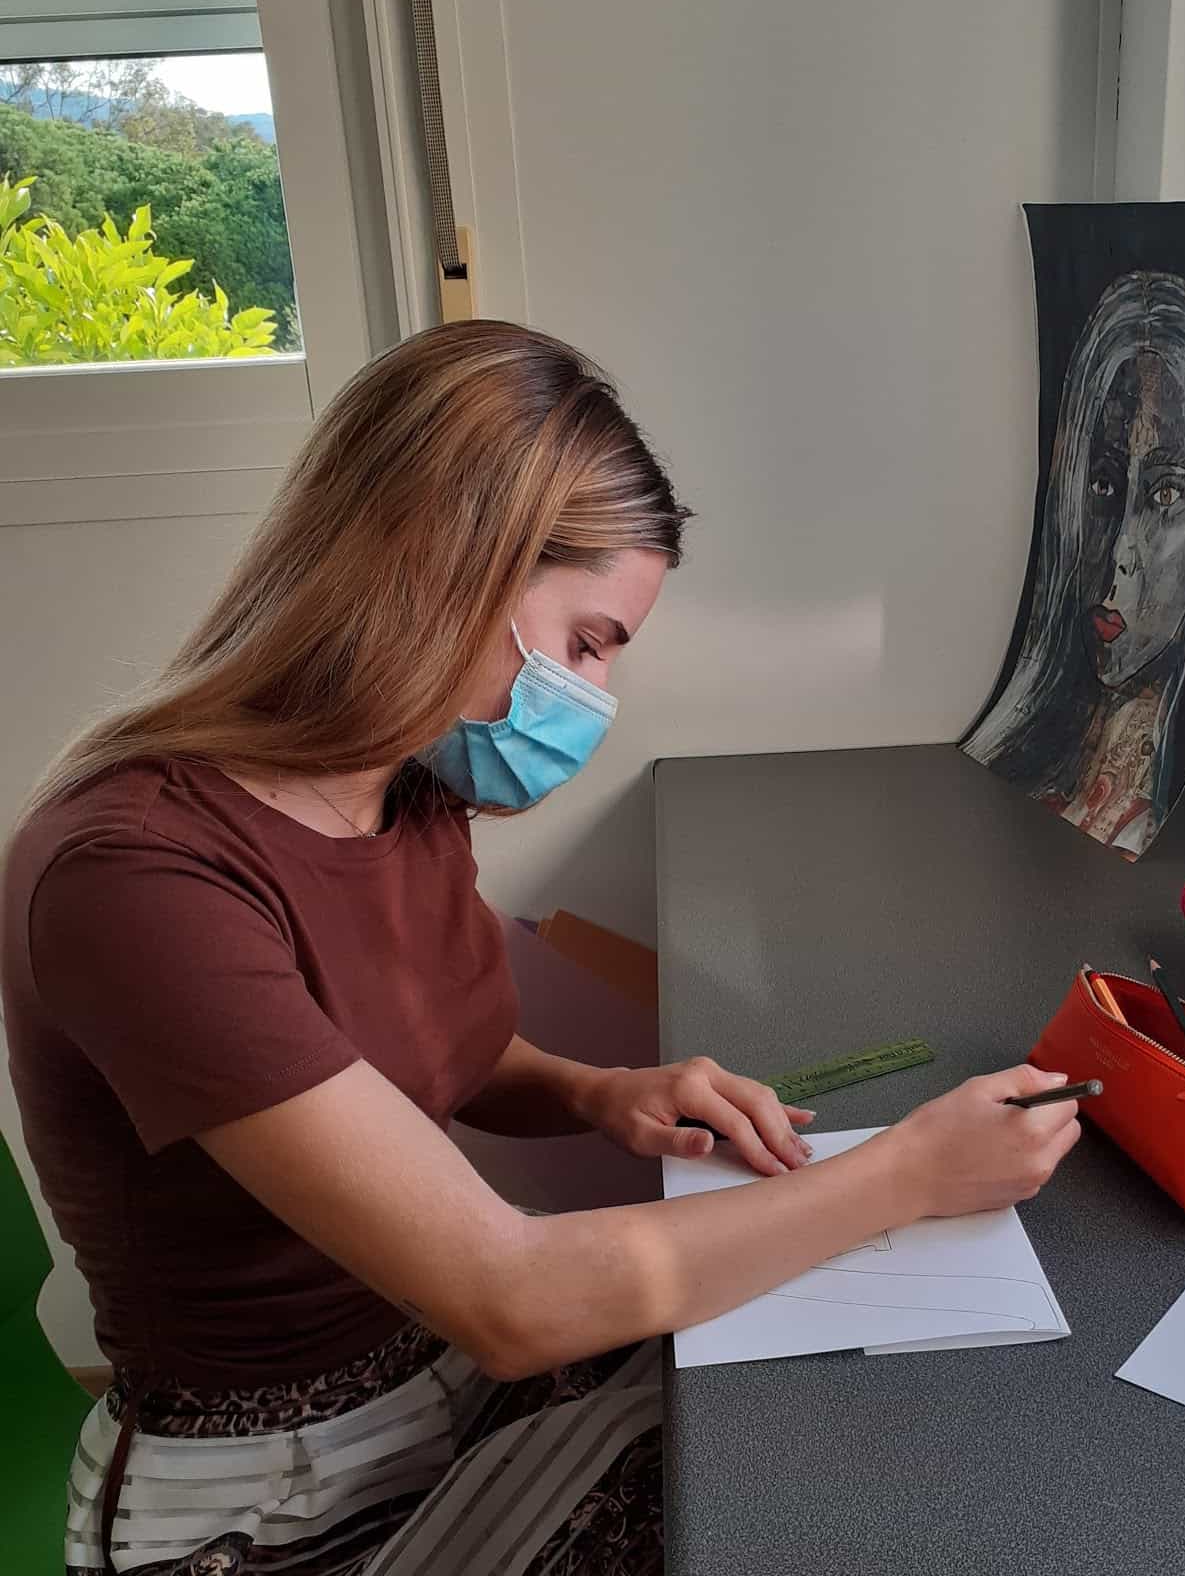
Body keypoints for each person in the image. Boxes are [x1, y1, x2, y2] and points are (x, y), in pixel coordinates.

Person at [1, 320, 1083, 1576]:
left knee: (817, 1438)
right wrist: (907, 1176)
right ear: (443, 563)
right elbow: (509, 1299)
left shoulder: (401, 791)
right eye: (584, 644)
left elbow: (408, 1062)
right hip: (274, 1502)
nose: (589, 698)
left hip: (436, 1378)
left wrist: (596, 1093)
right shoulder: (138, 879)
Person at [963, 272, 1185, 855]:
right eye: (1103, 484)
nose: (1120, 552)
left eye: (1166, 494)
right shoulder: (1021, 763)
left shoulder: (1173, 802)